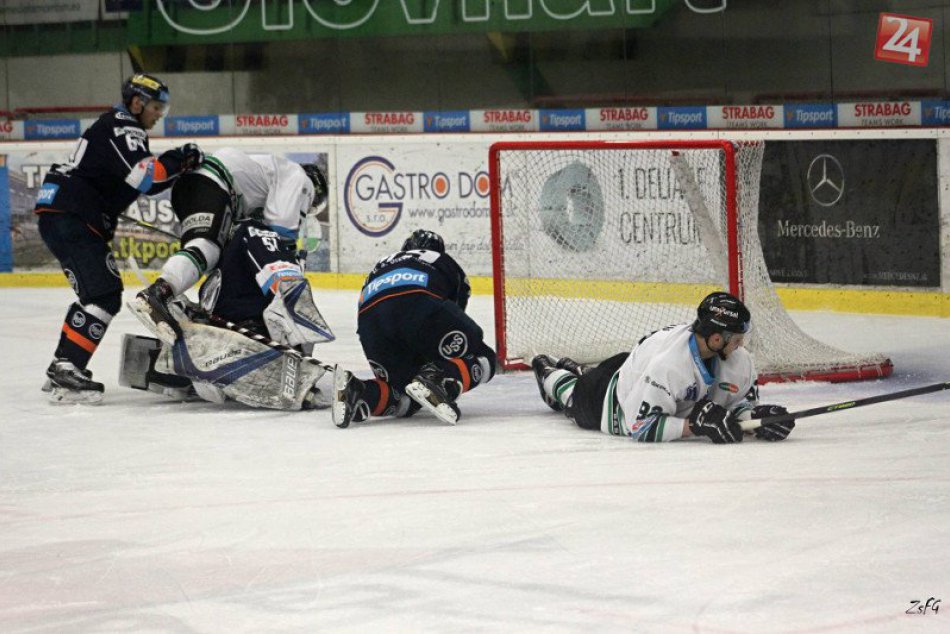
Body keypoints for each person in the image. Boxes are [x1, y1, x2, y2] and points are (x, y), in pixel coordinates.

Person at [123, 148, 336, 410]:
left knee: (209, 250)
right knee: (211, 247)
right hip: (213, 185)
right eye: (313, 205)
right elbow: (279, 233)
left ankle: (203, 321)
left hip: (194, 188)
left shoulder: (266, 181)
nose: (309, 209)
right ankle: (161, 293)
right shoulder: (298, 178)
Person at [34, 73, 203, 403]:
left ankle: (62, 364)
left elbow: (147, 183)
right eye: (156, 107)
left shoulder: (116, 125)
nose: (158, 115)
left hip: (63, 215)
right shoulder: (124, 125)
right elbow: (147, 176)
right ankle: (67, 367)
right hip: (72, 217)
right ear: (137, 103)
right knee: (103, 292)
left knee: (96, 293)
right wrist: (181, 158)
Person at [531, 292, 796, 443]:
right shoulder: (670, 367)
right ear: (716, 339)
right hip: (611, 399)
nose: (741, 345)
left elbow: (737, 402)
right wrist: (695, 426)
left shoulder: (736, 359)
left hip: (636, 368)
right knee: (573, 396)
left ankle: (579, 370)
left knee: (594, 377)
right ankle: (549, 373)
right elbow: (641, 426)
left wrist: (756, 420)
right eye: (737, 339)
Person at [331, 229, 496, 428]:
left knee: (402, 394)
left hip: (370, 323)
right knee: (483, 355)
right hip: (418, 304)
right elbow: (454, 311)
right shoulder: (440, 259)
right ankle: (436, 378)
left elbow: (367, 303)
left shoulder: (382, 263)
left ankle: (358, 391)